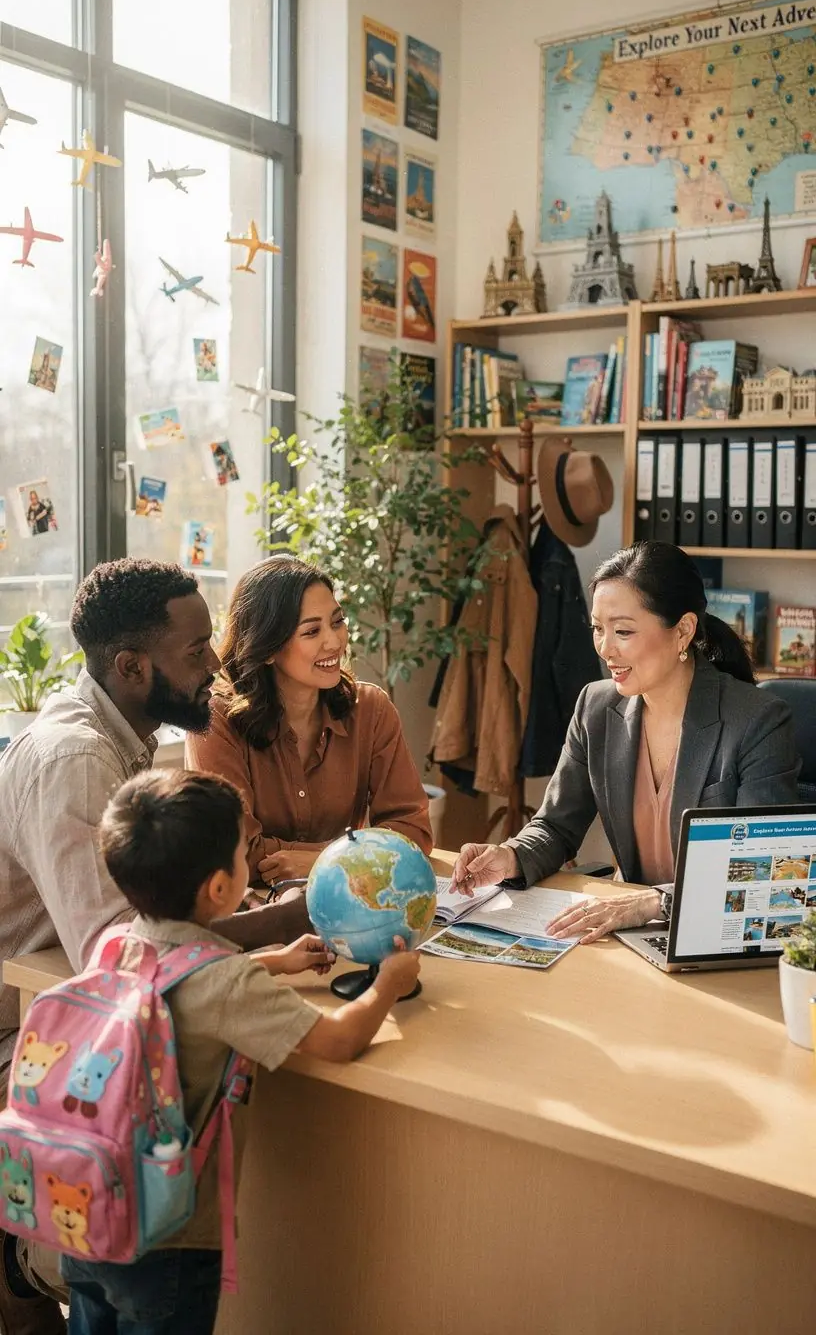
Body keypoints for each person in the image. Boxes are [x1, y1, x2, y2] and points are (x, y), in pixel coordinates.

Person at [0, 558, 312, 1334]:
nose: (216, 666)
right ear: (132, 667)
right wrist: (280, 923)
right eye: (197, 650)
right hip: (27, 1032)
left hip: (66, 1008)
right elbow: (119, 947)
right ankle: (29, 1260)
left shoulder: (122, 733)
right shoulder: (76, 758)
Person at [61, 767, 419, 1334]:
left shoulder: (117, 943)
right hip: (168, 1242)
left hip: (86, 1213)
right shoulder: (228, 984)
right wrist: (389, 984)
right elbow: (339, 1041)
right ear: (220, 888)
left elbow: (178, 975)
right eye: (242, 851)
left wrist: (273, 960)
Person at [451, 542, 800, 944]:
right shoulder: (596, 707)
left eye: (623, 632)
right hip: (630, 933)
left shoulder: (758, 720)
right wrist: (511, 856)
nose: (605, 648)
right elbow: (556, 826)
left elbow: (759, 871)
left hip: (717, 936)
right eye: (598, 629)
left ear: (683, 630)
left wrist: (653, 903)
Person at [187, 554, 432, 886]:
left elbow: (412, 831)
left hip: (346, 897)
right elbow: (234, 854)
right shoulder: (216, 722)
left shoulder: (371, 709)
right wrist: (357, 852)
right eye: (312, 631)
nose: (335, 641)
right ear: (268, 647)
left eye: (338, 621)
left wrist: (322, 859)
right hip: (253, 907)